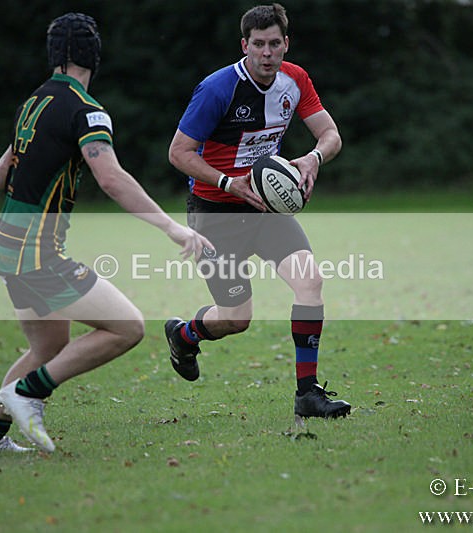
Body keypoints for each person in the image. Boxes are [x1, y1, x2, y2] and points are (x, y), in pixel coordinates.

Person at [0, 12, 210, 454]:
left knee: (49, 345)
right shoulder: (87, 110)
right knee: (127, 327)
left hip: (7, 246)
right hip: (35, 252)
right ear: (92, 55)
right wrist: (171, 227)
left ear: (55, 54)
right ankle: (25, 393)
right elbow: (112, 179)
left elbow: (12, 153)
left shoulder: (35, 101)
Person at [165, 3, 350, 420]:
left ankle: (308, 394)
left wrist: (314, 159)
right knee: (235, 317)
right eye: (258, 44)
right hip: (215, 212)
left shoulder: (295, 80)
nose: (267, 53)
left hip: (266, 209)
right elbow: (178, 153)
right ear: (244, 45)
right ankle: (183, 334)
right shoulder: (217, 89)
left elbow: (330, 134)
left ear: (286, 44)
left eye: (274, 44)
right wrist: (230, 183)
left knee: (310, 281)